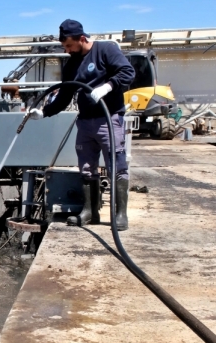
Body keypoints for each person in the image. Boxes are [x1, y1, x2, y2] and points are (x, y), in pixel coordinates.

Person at [28, 19, 135, 230]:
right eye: (64, 47)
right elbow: (65, 95)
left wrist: (107, 87)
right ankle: (90, 211)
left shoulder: (105, 50)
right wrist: (44, 112)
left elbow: (127, 72)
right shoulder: (72, 64)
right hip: (85, 122)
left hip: (108, 119)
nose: (67, 50)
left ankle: (120, 214)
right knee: (86, 168)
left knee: (117, 167)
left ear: (82, 39)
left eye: (69, 45)